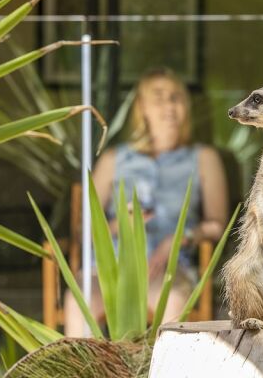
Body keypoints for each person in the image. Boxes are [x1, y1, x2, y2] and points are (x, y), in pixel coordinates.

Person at [64, 68, 229, 337]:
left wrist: (179, 238)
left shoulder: (203, 158)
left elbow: (217, 225)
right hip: (109, 267)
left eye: (176, 97)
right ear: (142, 108)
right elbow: (84, 228)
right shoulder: (114, 159)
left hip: (169, 270)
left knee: (174, 299)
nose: (169, 105)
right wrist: (120, 226)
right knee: (78, 301)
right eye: (159, 97)